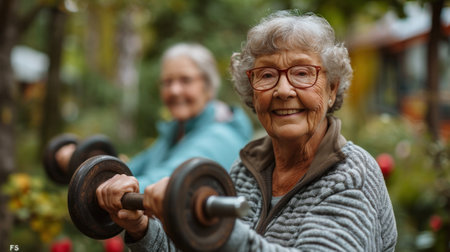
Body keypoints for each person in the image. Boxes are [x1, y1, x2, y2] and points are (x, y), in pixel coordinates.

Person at [96, 11, 397, 251]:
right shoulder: (245, 171)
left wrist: (216, 228)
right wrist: (142, 228)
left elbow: (223, 239)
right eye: (266, 75)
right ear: (252, 93)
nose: (282, 90)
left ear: (331, 89)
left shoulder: (351, 176)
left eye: (302, 73)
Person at [127, 43, 253, 191]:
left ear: (208, 86)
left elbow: (166, 182)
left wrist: (115, 189)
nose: (174, 90)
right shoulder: (175, 131)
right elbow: (131, 169)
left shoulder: (220, 137)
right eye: (167, 82)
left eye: (185, 80)